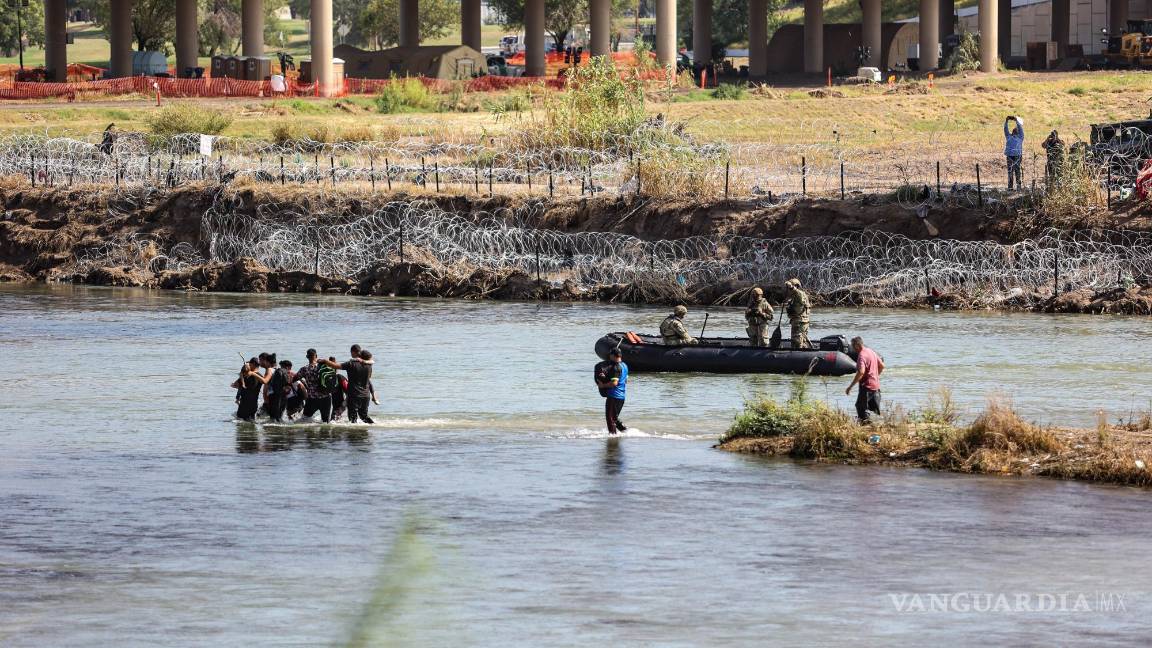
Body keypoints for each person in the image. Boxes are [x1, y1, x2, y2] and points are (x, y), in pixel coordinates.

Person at [322, 348, 375, 424]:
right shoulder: (369, 366)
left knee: (352, 418)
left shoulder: (351, 364)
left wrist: (325, 361)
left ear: (354, 352)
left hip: (354, 395)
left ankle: (353, 435)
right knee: (364, 416)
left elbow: (336, 366)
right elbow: (369, 379)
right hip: (365, 395)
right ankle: (372, 427)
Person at [845, 336, 885, 423]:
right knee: (874, 411)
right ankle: (876, 427)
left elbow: (861, 372)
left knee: (861, 408)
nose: (853, 348)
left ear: (856, 345)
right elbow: (882, 366)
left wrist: (850, 387)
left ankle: (866, 427)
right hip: (876, 387)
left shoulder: (861, 356)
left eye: (853, 346)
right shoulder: (871, 351)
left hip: (866, 387)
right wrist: (875, 376)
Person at [595, 347, 628, 435]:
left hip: (613, 396)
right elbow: (625, 380)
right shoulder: (624, 365)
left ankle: (613, 438)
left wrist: (603, 385)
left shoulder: (616, 367)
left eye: (610, 355)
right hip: (621, 396)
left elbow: (614, 383)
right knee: (615, 418)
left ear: (613, 355)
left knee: (610, 419)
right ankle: (626, 432)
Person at [293, 349, 333, 423]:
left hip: (312, 398)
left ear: (307, 357)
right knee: (326, 422)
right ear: (316, 356)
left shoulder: (304, 369)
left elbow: (294, 379)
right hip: (326, 398)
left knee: (304, 420)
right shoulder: (324, 367)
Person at [784, 278, 811, 350]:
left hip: (799, 322)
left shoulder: (800, 294)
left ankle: (797, 354)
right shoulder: (795, 296)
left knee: (796, 341)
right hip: (800, 321)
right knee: (802, 340)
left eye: (790, 289)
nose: (789, 290)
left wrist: (791, 286)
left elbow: (796, 291)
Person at [235, 358, 263, 422]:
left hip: (244, 404)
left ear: (252, 364)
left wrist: (242, 374)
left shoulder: (246, 376)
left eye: (250, 364)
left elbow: (235, 385)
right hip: (254, 404)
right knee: (252, 421)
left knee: (240, 423)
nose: (249, 365)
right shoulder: (261, 376)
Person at [1003, 115, 1024, 189]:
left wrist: (1016, 121)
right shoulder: (1008, 136)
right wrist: (1006, 121)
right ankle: (1010, 187)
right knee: (1010, 171)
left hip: (1017, 156)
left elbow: (1021, 129)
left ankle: (1018, 186)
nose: (1015, 130)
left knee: (1017, 171)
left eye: (1017, 130)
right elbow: (1005, 129)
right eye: (1014, 130)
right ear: (1012, 132)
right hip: (1009, 156)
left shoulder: (1020, 137)